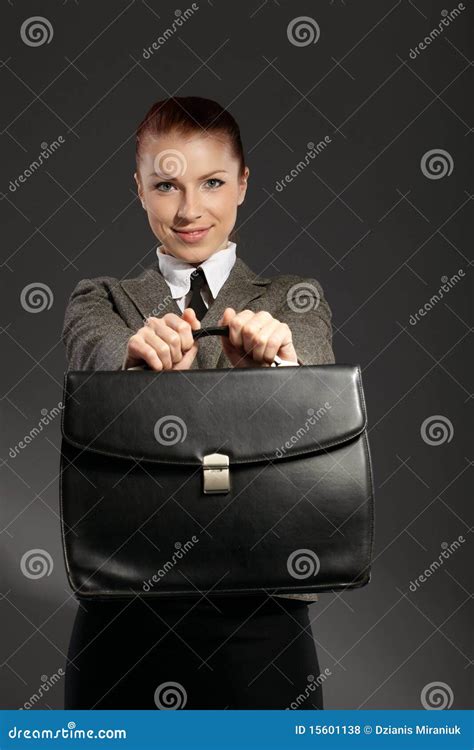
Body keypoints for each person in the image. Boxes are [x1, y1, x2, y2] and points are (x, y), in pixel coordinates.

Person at [62, 96, 335, 710]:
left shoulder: (295, 300)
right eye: (166, 185)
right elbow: (96, 359)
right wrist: (144, 372)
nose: (189, 210)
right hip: (126, 612)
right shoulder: (98, 300)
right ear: (139, 189)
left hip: (262, 617)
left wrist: (277, 372)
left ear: (243, 184)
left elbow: (319, 418)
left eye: (211, 182)